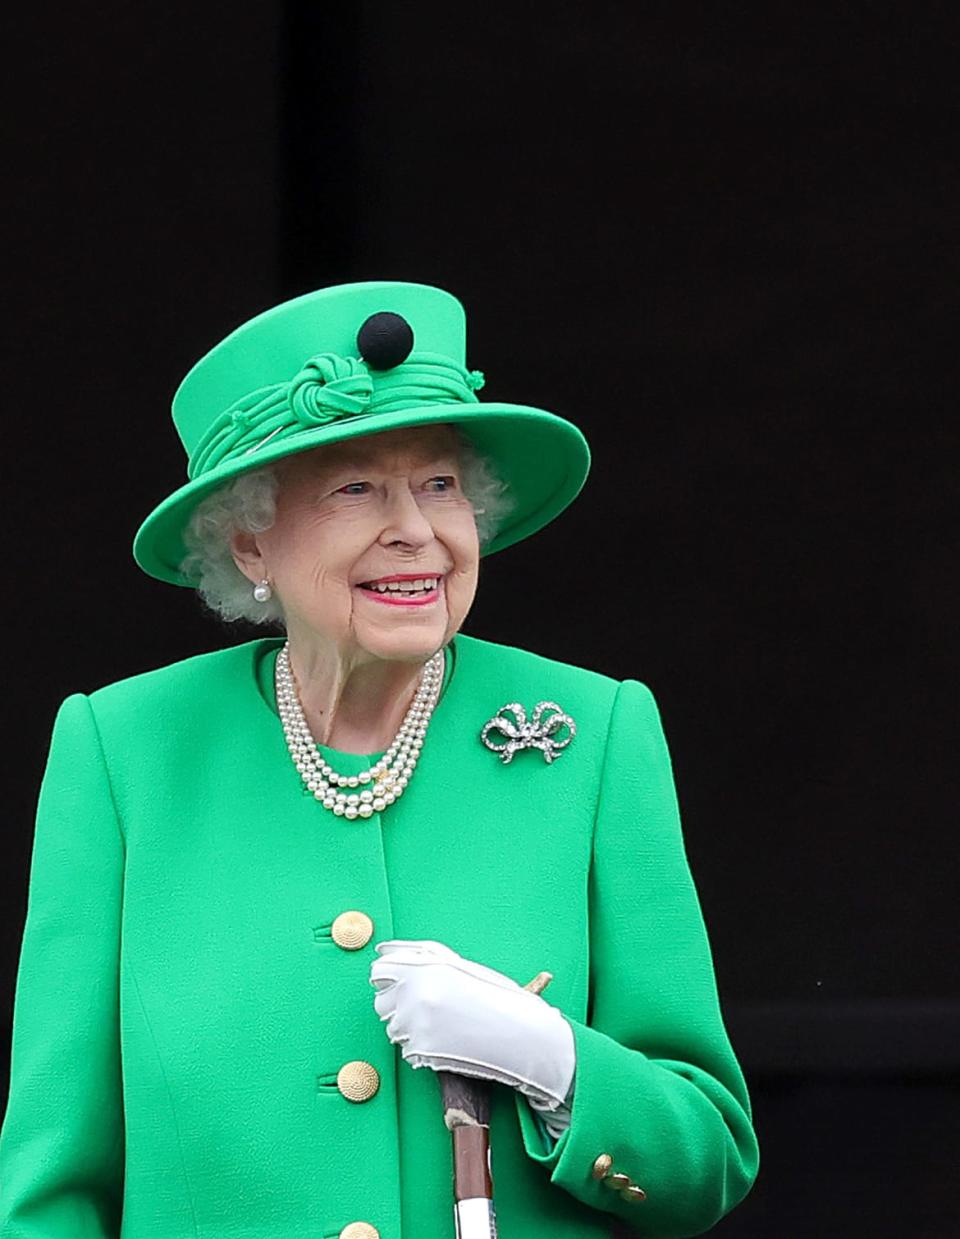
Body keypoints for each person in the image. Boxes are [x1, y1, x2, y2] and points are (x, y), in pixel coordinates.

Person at [0, 280, 759, 1239]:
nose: (417, 529)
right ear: (249, 543)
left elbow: (708, 1155)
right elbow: (53, 1183)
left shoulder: (595, 732)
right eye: (357, 487)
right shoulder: (124, 752)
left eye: (439, 483)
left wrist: (557, 1063)